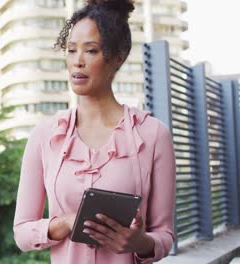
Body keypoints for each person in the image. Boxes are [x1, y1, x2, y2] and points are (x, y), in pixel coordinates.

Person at [13, 0, 176, 263]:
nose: (77, 61)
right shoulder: (44, 136)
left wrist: (140, 242)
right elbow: (21, 232)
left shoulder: (153, 135)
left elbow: (165, 235)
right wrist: (64, 223)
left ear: (118, 57)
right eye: (71, 50)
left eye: (91, 51)